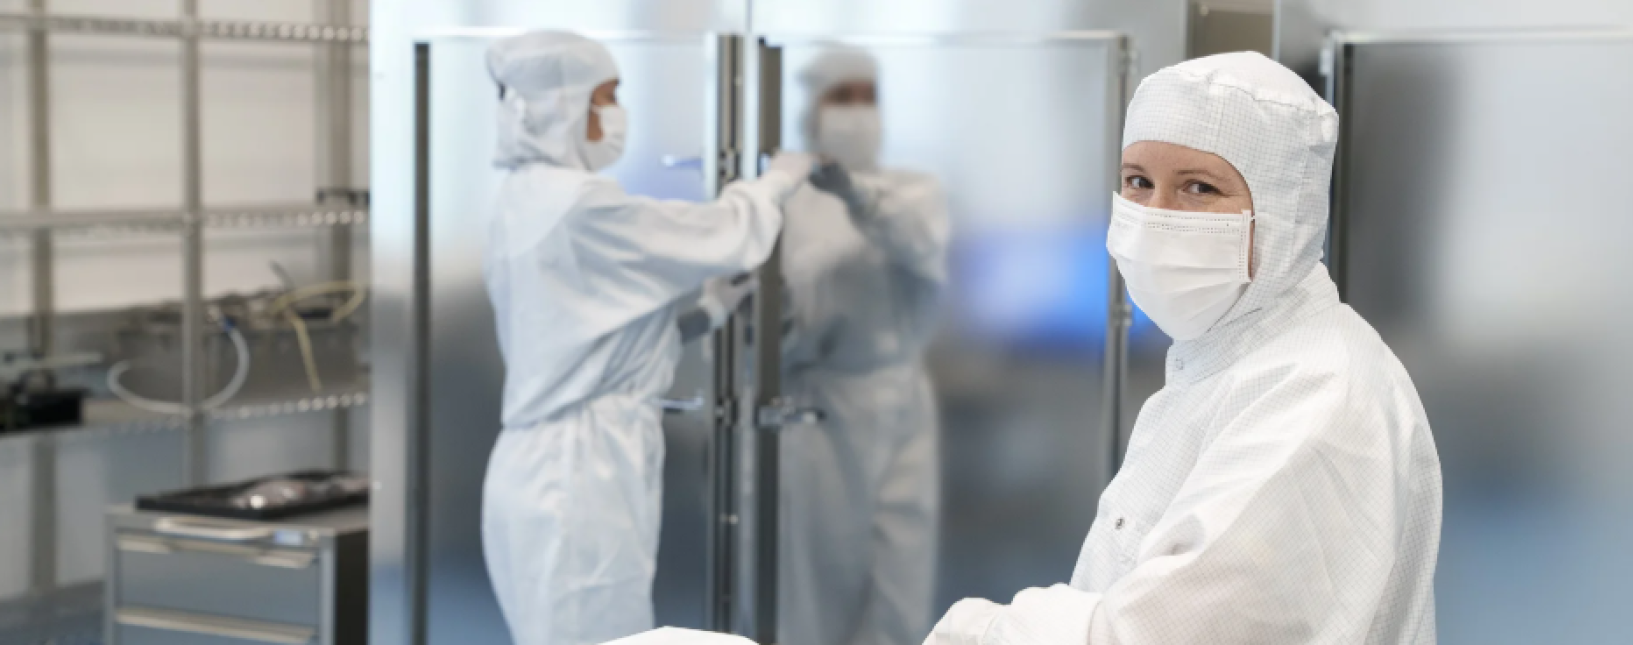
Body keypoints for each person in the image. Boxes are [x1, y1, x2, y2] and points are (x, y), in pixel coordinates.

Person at [925, 52, 1442, 644]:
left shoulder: (1318, 393)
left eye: (1199, 187)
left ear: (1284, 215)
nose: (1155, 218)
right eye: (1138, 182)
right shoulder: (1228, 356)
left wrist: (973, 631)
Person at [477, 31, 812, 645]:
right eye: (605, 96)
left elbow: (583, 342)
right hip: (577, 478)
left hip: (544, 467)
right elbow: (724, 234)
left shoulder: (522, 197)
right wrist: (777, 183)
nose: (615, 113)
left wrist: (705, 313)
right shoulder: (577, 202)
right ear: (561, 106)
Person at [776, 47, 952, 645]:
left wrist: (856, 194)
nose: (855, 113)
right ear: (810, 109)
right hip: (819, 408)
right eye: (840, 98)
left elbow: (917, 237)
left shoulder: (912, 189)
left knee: (901, 576)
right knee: (818, 581)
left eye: (866, 98)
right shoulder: (784, 199)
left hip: (901, 398)